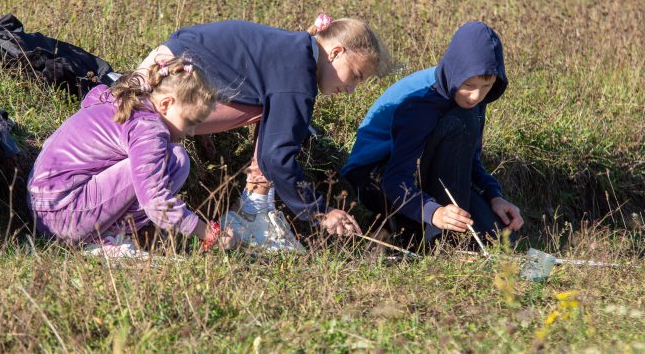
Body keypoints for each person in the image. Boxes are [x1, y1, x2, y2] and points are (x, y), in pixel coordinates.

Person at [138, 15, 389, 251]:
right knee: (145, 157)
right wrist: (320, 212)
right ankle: (124, 230)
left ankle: (254, 206)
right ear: (336, 52)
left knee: (274, 112)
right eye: (355, 76)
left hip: (166, 68)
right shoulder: (298, 76)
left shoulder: (295, 51)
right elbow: (277, 158)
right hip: (168, 84)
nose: (351, 90)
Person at [27, 56, 235, 257]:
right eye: (190, 122)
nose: (191, 132)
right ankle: (105, 237)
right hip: (65, 217)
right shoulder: (148, 129)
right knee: (173, 160)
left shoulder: (124, 100)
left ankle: (113, 231)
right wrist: (207, 233)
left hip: (44, 206)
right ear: (165, 104)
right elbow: (155, 199)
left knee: (176, 157)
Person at [342, 21, 523, 248]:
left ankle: (440, 231)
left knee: (500, 238)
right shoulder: (422, 103)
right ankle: (440, 236)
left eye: (486, 87)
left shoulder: (470, 97)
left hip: (419, 167)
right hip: (376, 175)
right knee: (460, 121)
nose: (476, 96)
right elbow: (395, 178)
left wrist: (493, 195)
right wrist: (433, 212)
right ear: (456, 70)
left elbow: (469, 159)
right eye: (469, 85)